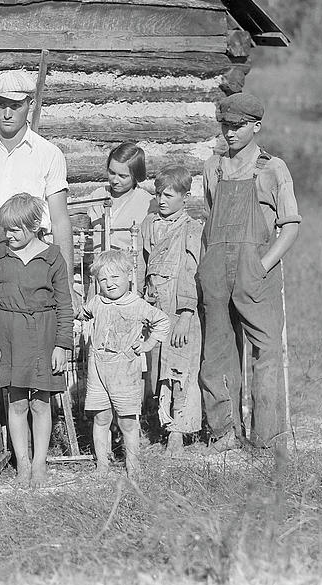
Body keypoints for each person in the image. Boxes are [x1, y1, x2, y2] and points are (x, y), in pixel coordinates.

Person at [198, 92, 301, 452]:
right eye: (225, 125)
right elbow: (211, 218)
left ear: (255, 126)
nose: (229, 133)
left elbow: (290, 227)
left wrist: (262, 264)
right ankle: (224, 432)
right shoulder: (212, 167)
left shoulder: (273, 168)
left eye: (237, 126)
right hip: (215, 270)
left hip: (255, 269)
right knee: (218, 351)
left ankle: (268, 438)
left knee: (267, 351)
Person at [0, 70, 76, 304]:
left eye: (15, 106)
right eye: (1, 105)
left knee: (25, 329)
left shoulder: (48, 154)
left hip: (29, 258)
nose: (7, 113)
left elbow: (59, 221)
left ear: (31, 104)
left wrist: (67, 281)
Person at [0, 193, 74, 487]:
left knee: (41, 403)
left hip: (43, 335)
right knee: (17, 402)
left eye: (15, 229)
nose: (8, 235)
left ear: (34, 225)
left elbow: (64, 304)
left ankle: (40, 464)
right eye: (5, 229)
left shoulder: (52, 257)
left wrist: (61, 345)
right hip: (9, 335)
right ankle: (22, 463)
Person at [81, 250, 170, 478]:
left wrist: (148, 344)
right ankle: (102, 464)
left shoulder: (137, 305)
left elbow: (162, 322)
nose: (109, 284)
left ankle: (133, 465)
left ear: (129, 276)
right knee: (101, 418)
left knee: (127, 421)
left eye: (115, 278)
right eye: (103, 279)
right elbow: (82, 313)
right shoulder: (97, 302)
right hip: (98, 368)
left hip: (125, 370)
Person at [136, 165, 203, 456]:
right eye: (158, 194)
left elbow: (192, 271)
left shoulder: (191, 228)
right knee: (158, 368)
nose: (161, 200)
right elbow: (140, 263)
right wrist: (141, 297)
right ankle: (161, 425)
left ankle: (180, 431)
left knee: (181, 366)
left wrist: (187, 313)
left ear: (184, 197)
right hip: (156, 306)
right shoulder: (149, 224)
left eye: (169, 195)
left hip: (179, 304)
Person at [87, 142, 153, 252]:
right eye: (112, 173)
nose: (115, 180)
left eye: (123, 176)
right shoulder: (97, 196)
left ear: (136, 175)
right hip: (100, 267)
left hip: (131, 267)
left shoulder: (147, 203)